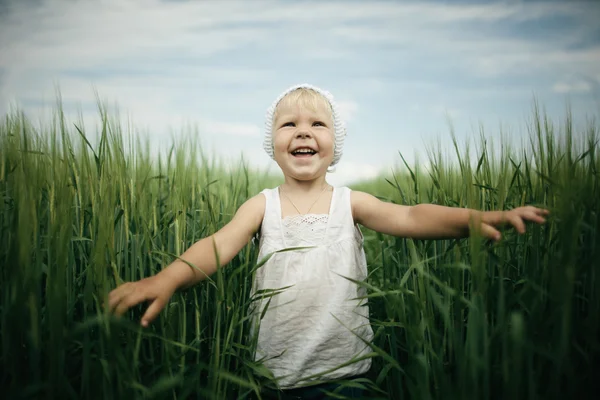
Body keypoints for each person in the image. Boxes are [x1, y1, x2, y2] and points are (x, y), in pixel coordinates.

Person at [107, 83, 549, 398]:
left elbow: (412, 215)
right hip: (274, 375)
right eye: (289, 124)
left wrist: (478, 217)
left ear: (334, 145)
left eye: (317, 123)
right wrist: (166, 278)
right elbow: (218, 245)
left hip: (346, 373)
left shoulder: (350, 202)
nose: (303, 131)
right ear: (272, 142)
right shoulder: (262, 206)